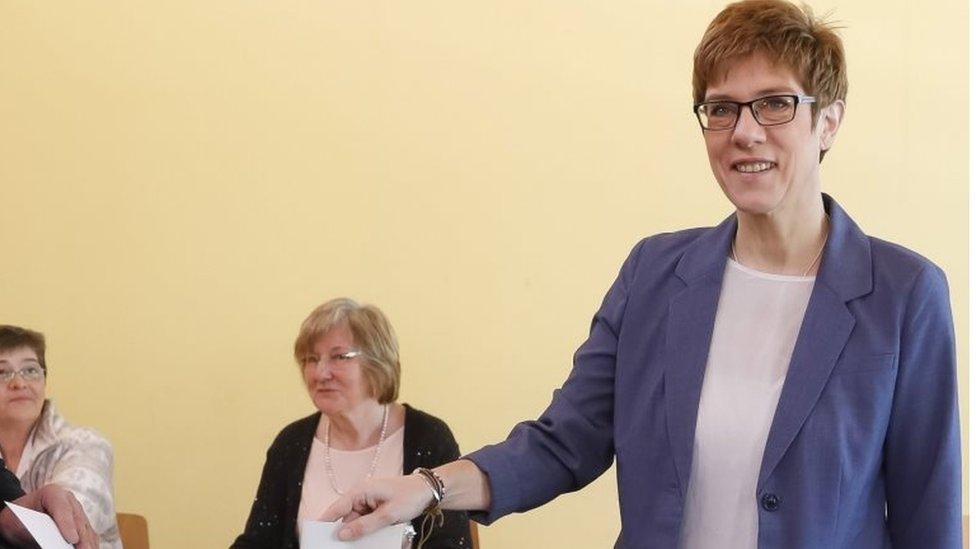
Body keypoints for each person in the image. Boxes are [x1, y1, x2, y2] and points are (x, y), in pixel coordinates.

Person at [321, 1, 962, 548]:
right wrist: (426, 487)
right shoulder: (656, 274)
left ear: (829, 121)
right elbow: (561, 443)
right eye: (721, 109)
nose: (744, 132)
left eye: (773, 105)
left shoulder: (905, 295)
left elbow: (927, 515)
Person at [232, 298, 471, 549]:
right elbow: (258, 542)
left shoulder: (429, 437)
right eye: (311, 359)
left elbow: (451, 543)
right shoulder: (291, 442)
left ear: (377, 362)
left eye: (339, 357)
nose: (321, 373)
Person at [0, 326, 109, 549]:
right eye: (1, 372)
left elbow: (65, 531)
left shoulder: (84, 444)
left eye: (30, 370)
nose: (19, 383)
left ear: (44, 380)